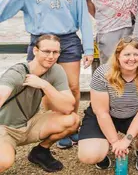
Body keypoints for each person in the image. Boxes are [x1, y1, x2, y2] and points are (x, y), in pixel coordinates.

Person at [0, 0, 93, 148]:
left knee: (73, 86)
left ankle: (71, 126)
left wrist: (88, 48)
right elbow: (4, 8)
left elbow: (84, 17)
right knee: (39, 87)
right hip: (40, 42)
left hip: (68, 41)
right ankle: (53, 126)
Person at [77, 37, 138, 172]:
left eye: (136, 54)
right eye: (127, 54)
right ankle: (102, 154)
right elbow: (101, 112)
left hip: (134, 112)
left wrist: (127, 140)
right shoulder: (102, 73)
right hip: (107, 114)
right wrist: (115, 142)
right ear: (118, 56)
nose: (132, 58)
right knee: (89, 155)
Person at [0, 35, 79, 173]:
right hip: (5, 129)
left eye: (55, 52)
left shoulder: (56, 70)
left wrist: (44, 85)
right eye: (46, 51)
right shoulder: (17, 72)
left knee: (73, 120)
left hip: (29, 125)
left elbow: (68, 107)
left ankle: (40, 152)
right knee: (5, 161)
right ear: (35, 51)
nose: (51, 56)